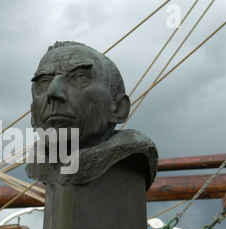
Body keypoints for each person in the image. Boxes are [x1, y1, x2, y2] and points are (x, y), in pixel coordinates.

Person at [26, 41, 158, 188]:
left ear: (118, 109)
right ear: (33, 114)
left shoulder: (130, 162)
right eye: (44, 81)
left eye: (79, 77)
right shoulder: (40, 161)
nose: (53, 92)